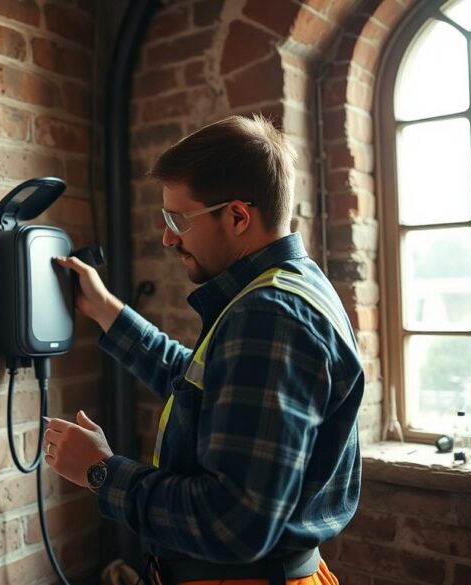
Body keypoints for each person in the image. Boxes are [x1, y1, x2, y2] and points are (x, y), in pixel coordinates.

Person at [44, 115, 362, 585]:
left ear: (237, 216)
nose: (169, 237)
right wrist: (108, 311)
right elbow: (204, 386)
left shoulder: (270, 316)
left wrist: (100, 472)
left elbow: (233, 524)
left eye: (179, 219)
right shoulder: (289, 286)